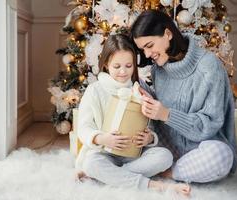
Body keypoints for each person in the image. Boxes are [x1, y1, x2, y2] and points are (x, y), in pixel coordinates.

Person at [130, 10, 237, 184]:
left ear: (167, 33)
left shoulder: (209, 67)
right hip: (166, 148)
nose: (147, 55)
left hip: (201, 149)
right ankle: (145, 167)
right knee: (133, 85)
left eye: (149, 45)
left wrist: (167, 114)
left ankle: (167, 172)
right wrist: (145, 96)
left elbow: (209, 125)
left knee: (221, 156)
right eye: (143, 49)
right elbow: (161, 113)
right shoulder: (158, 69)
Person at [75, 34, 190, 195]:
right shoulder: (95, 90)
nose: (123, 72)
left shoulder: (139, 89)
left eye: (129, 66)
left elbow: (150, 124)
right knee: (91, 163)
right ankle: (155, 186)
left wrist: (149, 138)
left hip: (134, 155)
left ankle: (107, 176)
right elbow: (84, 127)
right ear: (106, 64)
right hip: (105, 153)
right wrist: (102, 138)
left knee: (164, 156)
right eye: (117, 67)